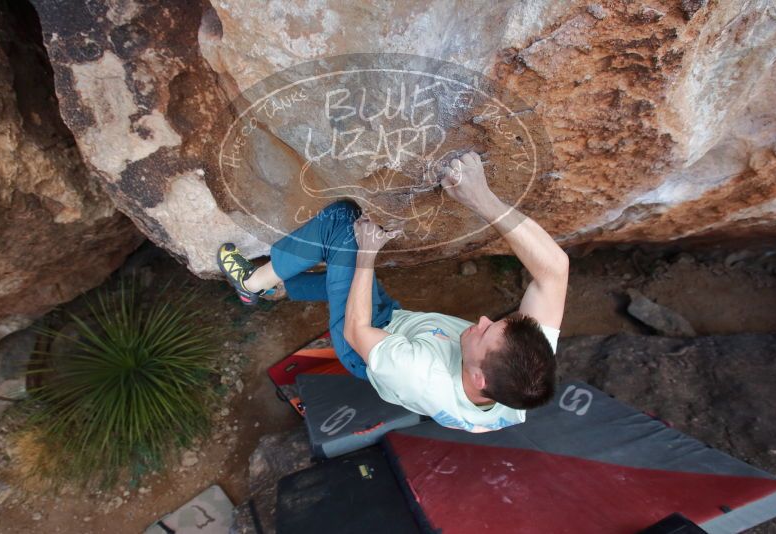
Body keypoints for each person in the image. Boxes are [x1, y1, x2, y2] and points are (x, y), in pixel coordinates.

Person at [217, 151, 568, 432]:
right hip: (398, 325)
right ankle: (282, 290)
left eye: (485, 332)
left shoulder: (420, 374)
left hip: (362, 345)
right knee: (354, 282)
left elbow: (358, 331)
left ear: (478, 378)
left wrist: (368, 254)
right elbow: (554, 271)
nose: (481, 320)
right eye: (497, 323)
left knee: (344, 224)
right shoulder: (525, 370)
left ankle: (251, 285)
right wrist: (481, 198)